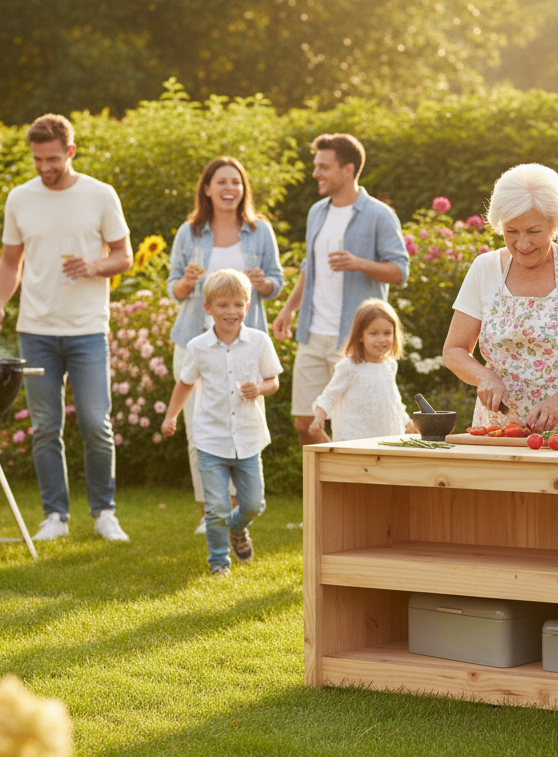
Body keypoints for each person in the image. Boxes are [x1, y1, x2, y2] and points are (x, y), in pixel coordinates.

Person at [0, 113, 134, 541]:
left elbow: (124, 255)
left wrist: (95, 265)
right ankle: (55, 517)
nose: (45, 168)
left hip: (87, 330)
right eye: (37, 160)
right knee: (46, 427)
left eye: (52, 159)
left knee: (94, 422)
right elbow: (11, 261)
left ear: (70, 151)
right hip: (36, 330)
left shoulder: (100, 195)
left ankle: (104, 513)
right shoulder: (20, 198)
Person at [443, 164, 558, 433]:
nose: (522, 244)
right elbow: (453, 350)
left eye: (533, 232)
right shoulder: (484, 268)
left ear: (555, 225)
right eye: (511, 231)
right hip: (499, 426)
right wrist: (484, 376)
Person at [167, 157, 284, 535]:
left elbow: (276, 283)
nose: (229, 188)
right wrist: (186, 281)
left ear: (243, 187)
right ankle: (209, 511)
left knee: (243, 422)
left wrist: (262, 283)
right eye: (221, 182)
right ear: (207, 188)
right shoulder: (190, 232)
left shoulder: (259, 230)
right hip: (195, 342)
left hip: (244, 344)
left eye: (235, 181)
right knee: (197, 430)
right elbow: (174, 289)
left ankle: (236, 513)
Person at [271, 133, 409, 447]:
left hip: (354, 337)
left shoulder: (378, 215)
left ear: (348, 169)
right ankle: (327, 490)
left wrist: (359, 263)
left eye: (323, 166)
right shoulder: (316, 212)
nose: (315, 173)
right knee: (305, 423)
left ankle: (350, 481)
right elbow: (310, 267)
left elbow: (400, 271)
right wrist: (289, 309)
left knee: (354, 421)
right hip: (314, 332)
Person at [161, 269, 282, 576]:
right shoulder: (198, 346)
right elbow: (185, 383)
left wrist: (261, 389)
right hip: (210, 439)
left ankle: (238, 529)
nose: (232, 312)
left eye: (238, 305)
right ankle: (218, 562)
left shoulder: (259, 342)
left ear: (248, 306)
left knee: (254, 504)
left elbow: (273, 381)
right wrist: (171, 416)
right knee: (216, 508)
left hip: (248, 436)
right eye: (224, 305)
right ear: (208, 308)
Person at [308, 298, 416, 442]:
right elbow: (329, 396)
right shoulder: (349, 367)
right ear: (360, 335)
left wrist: (407, 422)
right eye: (373, 333)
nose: (381, 339)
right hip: (355, 439)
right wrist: (319, 417)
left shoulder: (389, 365)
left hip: (387, 438)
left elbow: (393, 401)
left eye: (387, 333)